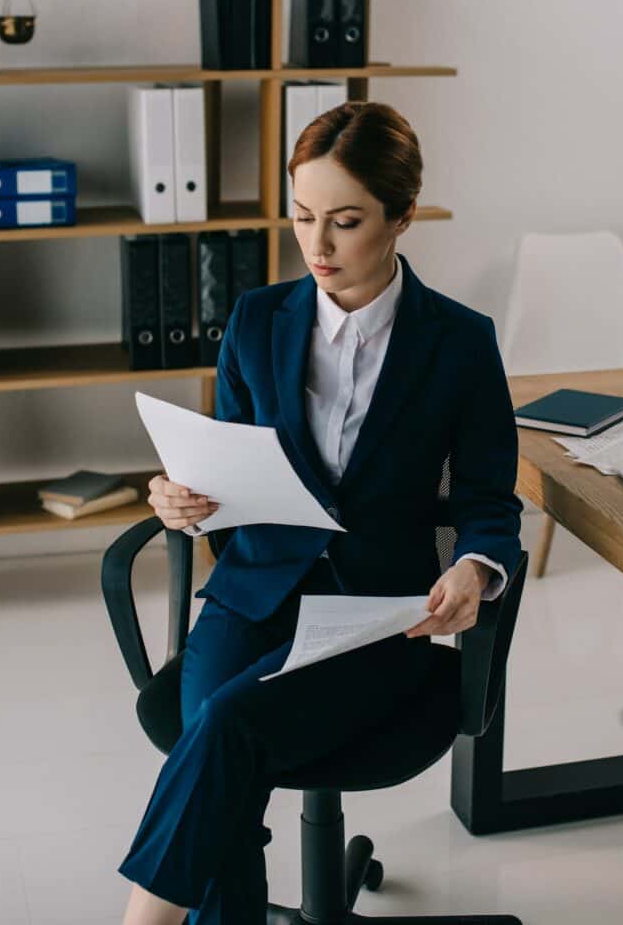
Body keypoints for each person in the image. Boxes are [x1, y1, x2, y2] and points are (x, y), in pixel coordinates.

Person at [118, 101, 523, 925]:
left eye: (344, 220)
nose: (317, 244)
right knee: (219, 733)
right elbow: (223, 476)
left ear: (401, 215)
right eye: (302, 215)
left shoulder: (460, 342)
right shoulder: (258, 319)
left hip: (376, 617)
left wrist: (475, 567)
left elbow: (489, 501)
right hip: (254, 592)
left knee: (224, 727)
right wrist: (182, 501)